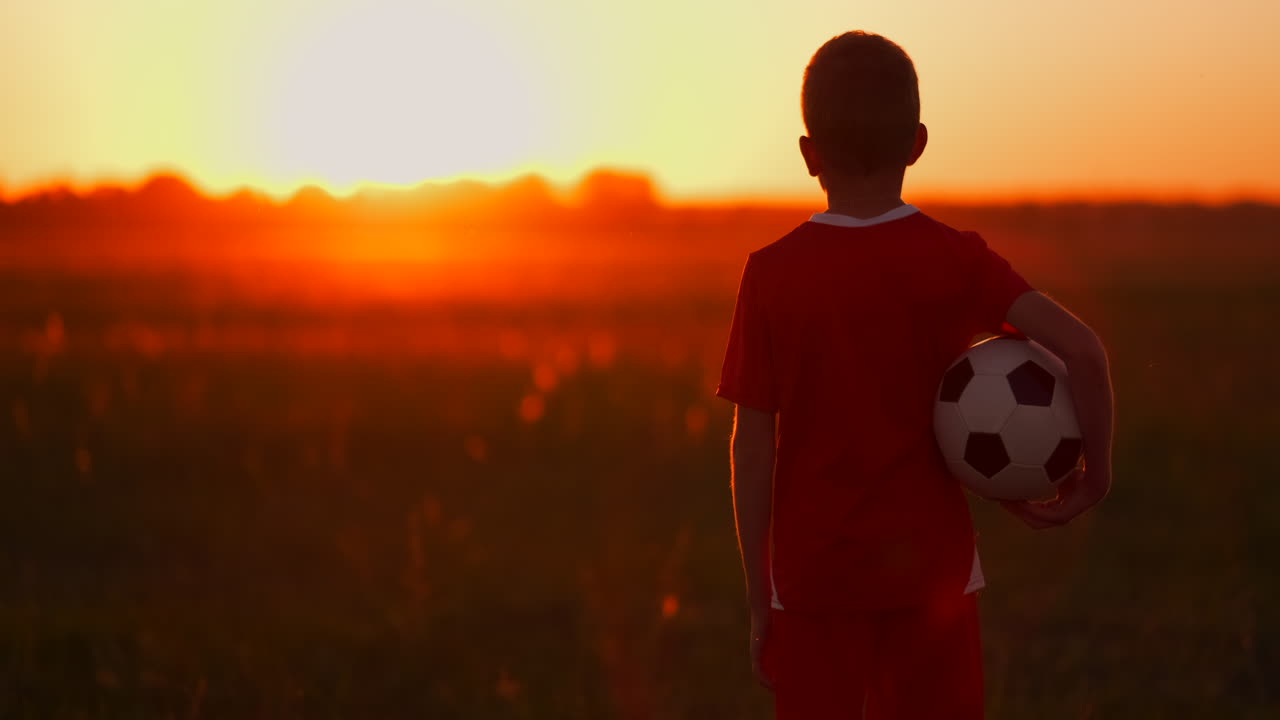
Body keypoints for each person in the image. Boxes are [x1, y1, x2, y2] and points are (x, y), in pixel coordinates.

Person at [716, 30, 1115, 719]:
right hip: (934, 579)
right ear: (918, 142)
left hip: (813, 583)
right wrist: (1095, 477)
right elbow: (1083, 352)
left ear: (810, 154)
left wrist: (761, 597)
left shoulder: (771, 273)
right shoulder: (955, 259)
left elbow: (750, 448)